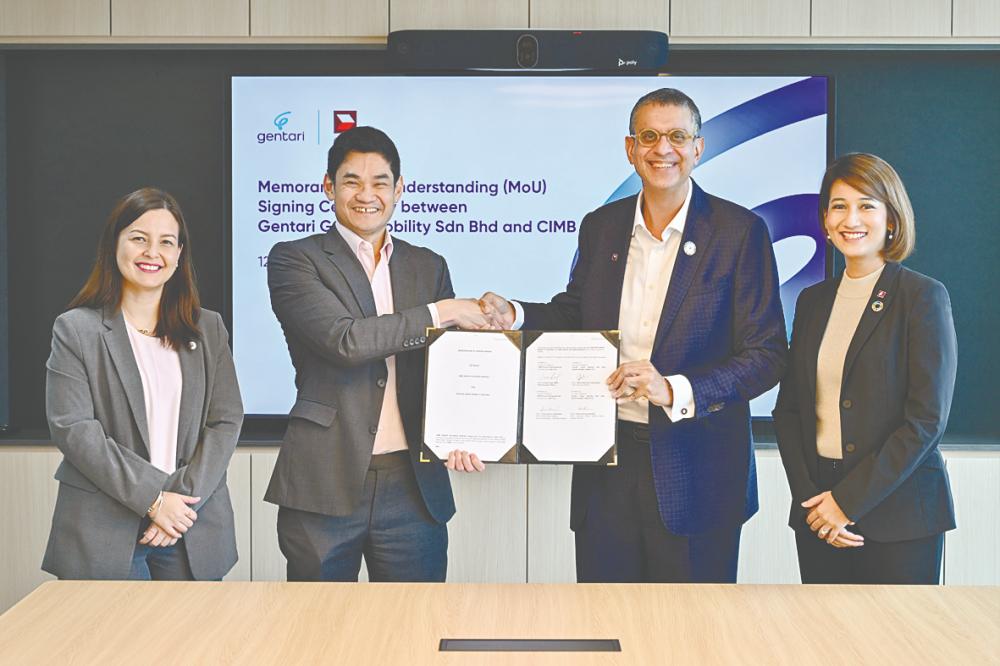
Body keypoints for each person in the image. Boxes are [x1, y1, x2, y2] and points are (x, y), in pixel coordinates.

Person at [480, 88, 787, 583]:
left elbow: (767, 355)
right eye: (649, 136)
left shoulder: (739, 232)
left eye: (677, 136)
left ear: (698, 148)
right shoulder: (601, 227)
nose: (662, 149)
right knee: (606, 627)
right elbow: (576, 315)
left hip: (698, 474)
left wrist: (674, 388)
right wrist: (513, 314)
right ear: (630, 148)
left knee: (691, 640)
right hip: (608, 465)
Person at [265, 126, 489, 583]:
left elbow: (446, 366)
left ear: (399, 189)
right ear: (328, 187)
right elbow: (346, 341)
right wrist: (441, 311)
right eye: (351, 181)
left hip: (413, 485)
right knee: (319, 636)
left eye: (380, 182)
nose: (366, 195)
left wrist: (467, 429)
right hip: (323, 480)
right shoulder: (295, 259)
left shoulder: (428, 265)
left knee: (415, 633)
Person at [773, 153, 957, 584]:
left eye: (867, 205)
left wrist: (846, 503)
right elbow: (790, 413)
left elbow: (925, 422)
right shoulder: (812, 301)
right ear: (824, 221)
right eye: (839, 206)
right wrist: (814, 505)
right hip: (819, 513)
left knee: (895, 650)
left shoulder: (922, 297)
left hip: (899, 516)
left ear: (891, 219)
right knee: (826, 647)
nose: (850, 218)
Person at [43, 188, 244, 580]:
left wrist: (178, 505)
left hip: (189, 526)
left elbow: (225, 421)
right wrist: (154, 500)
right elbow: (75, 430)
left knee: (194, 642)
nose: (152, 252)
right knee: (112, 642)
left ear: (179, 254)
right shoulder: (76, 330)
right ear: (114, 244)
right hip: (102, 529)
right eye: (138, 238)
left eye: (166, 242)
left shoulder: (208, 329)